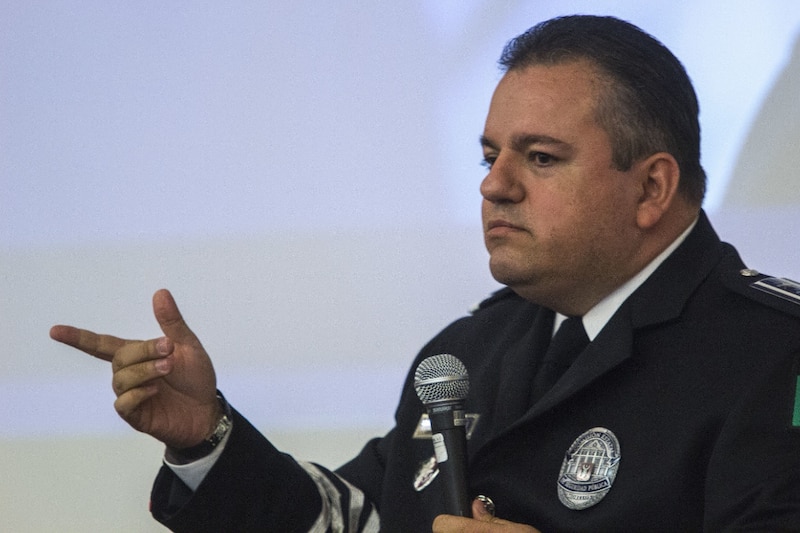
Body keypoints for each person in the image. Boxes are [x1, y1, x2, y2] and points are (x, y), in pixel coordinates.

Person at [50, 15, 800, 532]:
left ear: (652, 188)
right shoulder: (467, 354)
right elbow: (353, 520)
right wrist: (207, 439)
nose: (494, 185)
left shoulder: (771, 356)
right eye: (489, 155)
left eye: (540, 158)